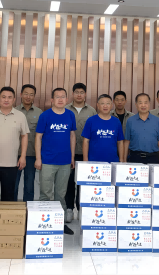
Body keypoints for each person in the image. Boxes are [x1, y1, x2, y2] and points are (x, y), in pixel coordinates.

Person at [35, 88, 76, 235]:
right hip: (47, 160)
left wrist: (72, 157)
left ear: (67, 99)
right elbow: (38, 137)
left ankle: (60, 224)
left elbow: (72, 136)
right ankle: (44, 223)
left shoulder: (70, 115)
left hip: (65, 161)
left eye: (63, 97)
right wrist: (38, 158)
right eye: (57, 97)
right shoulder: (45, 115)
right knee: (46, 193)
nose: (60, 99)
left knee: (61, 194)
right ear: (52, 100)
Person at [64, 83, 96, 223]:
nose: (79, 95)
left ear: (85, 94)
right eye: (76, 92)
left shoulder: (92, 111)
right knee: (69, 182)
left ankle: (81, 209)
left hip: (86, 153)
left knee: (83, 183)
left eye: (81, 92)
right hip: (67, 152)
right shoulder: (65, 109)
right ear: (72, 93)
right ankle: (69, 209)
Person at [13, 84, 42, 201]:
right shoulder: (14, 111)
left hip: (31, 154)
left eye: (31, 94)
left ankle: (28, 208)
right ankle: (12, 208)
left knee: (29, 185)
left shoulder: (39, 113)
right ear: (21, 95)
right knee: (13, 184)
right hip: (15, 154)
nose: (28, 97)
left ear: (34, 96)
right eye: (26, 94)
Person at [82, 94, 124, 163]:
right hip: (93, 161)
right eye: (102, 103)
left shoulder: (116, 121)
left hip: (112, 161)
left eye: (108, 103)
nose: (105, 106)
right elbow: (86, 141)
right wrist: (85, 160)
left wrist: (121, 159)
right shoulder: (91, 120)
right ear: (98, 105)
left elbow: (120, 142)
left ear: (111, 105)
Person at [124, 93, 159, 164]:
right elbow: (127, 141)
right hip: (135, 158)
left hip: (153, 158)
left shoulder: (157, 121)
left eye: (145, 103)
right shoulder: (130, 121)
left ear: (149, 104)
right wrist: (124, 160)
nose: (143, 105)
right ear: (136, 105)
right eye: (140, 103)